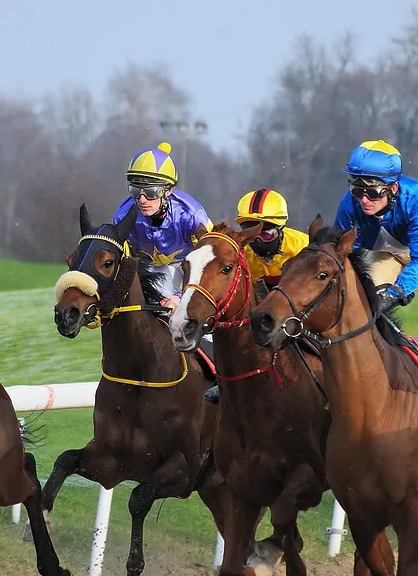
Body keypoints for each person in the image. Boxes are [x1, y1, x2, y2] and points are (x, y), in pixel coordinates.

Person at [334, 140, 418, 340]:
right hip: (386, 252)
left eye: (372, 192)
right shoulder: (348, 205)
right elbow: (343, 253)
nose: (364, 200)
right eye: (357, 190)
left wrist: (396, 292)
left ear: (393, 188)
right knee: (364, 307)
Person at [204, 188, 309, 405]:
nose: (258, 241)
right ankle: (224, 380)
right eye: (251, 231)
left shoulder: (302, 246)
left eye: (266, 233)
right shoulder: (242, 253)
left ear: (281, 229)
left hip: (300, 308)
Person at [113, 142, 213, 310]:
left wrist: (180, 297)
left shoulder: (191, 215)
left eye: (151, 192)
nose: (142, 200)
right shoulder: (123, 216)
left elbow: (208, 262)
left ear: (168, 191)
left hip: (191, 268)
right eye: (135, 192)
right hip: (152, 269)